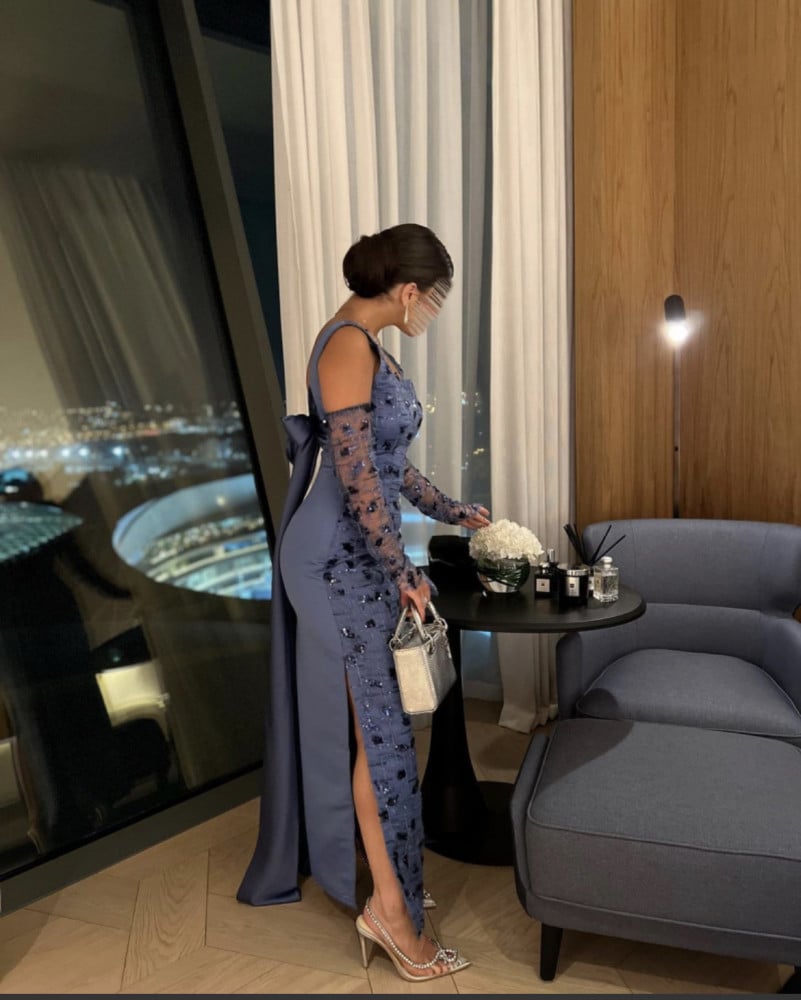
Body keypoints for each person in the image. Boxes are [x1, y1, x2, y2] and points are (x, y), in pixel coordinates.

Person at [238, 223, 490, 982]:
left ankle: (395, 885)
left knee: (385, 731)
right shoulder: (347, 345)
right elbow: (354, 478)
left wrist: (452, 511)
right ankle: (389, 913)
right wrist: (403, 567)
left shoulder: (372, 347)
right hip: (331, 561)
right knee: (380, 734)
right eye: (434, 297)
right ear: (409, 290)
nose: (432, 311)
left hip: (360, 554)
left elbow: (388, 465)